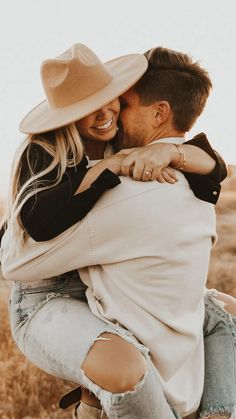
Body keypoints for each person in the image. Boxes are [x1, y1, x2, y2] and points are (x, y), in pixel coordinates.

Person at [0, 44, 235, 419]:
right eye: (89, 107)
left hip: (93, 280)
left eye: (115, 101)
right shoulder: (45, 151)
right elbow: (24, 247)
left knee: (224, 313)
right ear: (67, 115)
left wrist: (171, 154)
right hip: (48, 286)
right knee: (123, 365)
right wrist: (104, 170)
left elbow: (213, 167)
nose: (111, 114)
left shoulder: (124, 142)